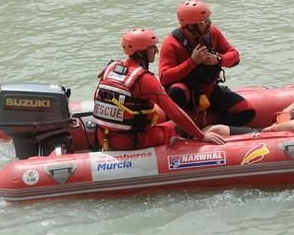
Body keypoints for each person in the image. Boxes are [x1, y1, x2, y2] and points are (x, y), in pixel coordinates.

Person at [92, 27, 225, 150]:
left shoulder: (110, 68)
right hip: (130, 141)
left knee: (157, 113)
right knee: (178, 125)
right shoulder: (144, 79)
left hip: (104, 136)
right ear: (140, 51)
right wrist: (202, 136)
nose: (156, 50)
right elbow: (175, 113)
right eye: (152, 47)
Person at [158, 0, 256, 127]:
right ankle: (175, 128)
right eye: (204, 22)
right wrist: (192, 61)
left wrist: (218, 59)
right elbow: (164, 78)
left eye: (208, 19)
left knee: (246, 111)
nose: (209, 24)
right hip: (185, 91)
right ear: (190, 26)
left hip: (208, 90)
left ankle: (213, 129)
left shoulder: (213, 33)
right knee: (177, 92)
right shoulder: (171, 44)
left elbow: (234, 56)